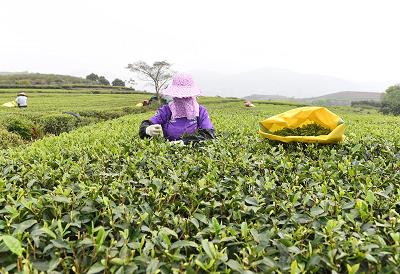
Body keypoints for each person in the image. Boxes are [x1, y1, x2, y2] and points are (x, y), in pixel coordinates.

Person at [139, 73, 215, 145]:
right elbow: (147, 124)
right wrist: (147, 130)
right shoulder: (166, 110)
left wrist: (184, 143)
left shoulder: (200, 111)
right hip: (169, 152)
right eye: (179, 96)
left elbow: (208, 135)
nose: (182, 99)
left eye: (186, 97)